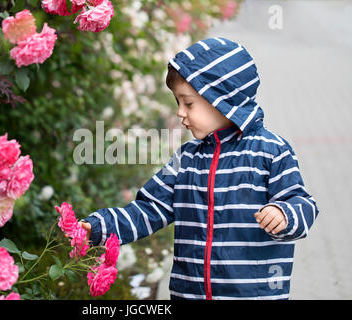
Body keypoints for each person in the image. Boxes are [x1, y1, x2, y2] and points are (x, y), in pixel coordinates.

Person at [81, 37, 319, 300]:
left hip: (253, 294)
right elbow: (149, 209)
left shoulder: (271, 152)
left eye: (189, 103)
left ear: (222, 99)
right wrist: (101, 226)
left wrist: (284, 213)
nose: (180, 113)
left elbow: (302, 203)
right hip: (189, 293)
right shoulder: (186, 159)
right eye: (178, 103)